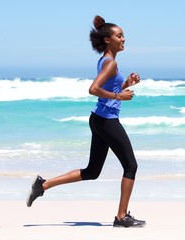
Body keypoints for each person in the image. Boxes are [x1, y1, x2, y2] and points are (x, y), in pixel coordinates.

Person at [26, 15, 146, 228]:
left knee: (92, 172)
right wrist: (120, 96)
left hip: (99, 119)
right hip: (107, 121)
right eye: (119, 36)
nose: (123, 39)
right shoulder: (110, 63)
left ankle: (42, 186)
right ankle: (121, 217)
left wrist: (127, 83)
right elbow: (93, 89)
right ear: (108, 40)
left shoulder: (105, 61)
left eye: (124, 35)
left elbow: (107, 88)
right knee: (131, 165)